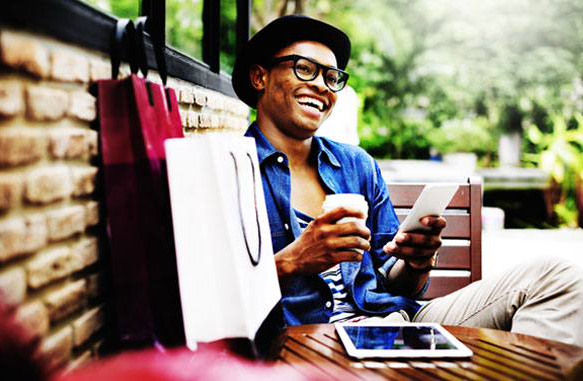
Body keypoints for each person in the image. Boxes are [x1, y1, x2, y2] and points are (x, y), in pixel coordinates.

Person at [232, 14, 583, 346]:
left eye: (331, 76)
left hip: (393, 324)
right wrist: (293, 260)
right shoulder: (228, 169)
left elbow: (395, 281)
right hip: (299, 340)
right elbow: (207, 298)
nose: (322, 86)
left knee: (557, 277)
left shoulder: (356, 165)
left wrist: (415, 261)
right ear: (259, 77)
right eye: (304, 69)